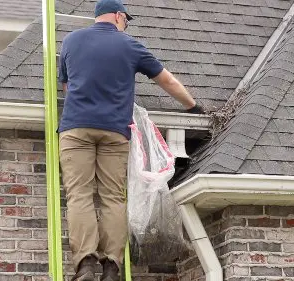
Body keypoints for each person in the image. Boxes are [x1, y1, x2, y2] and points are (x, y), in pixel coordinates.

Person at [58, 0, 204, 280]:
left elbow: (67, 86)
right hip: (114, 131)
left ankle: (86, 265)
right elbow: (168, 81)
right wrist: (193, 107)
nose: (126, 24)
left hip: (76, 127)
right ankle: (112, 266)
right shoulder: (130, 46)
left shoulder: (71, 41)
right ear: (118, 16)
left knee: (80, 195)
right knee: (113, 197)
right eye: (126, 19)